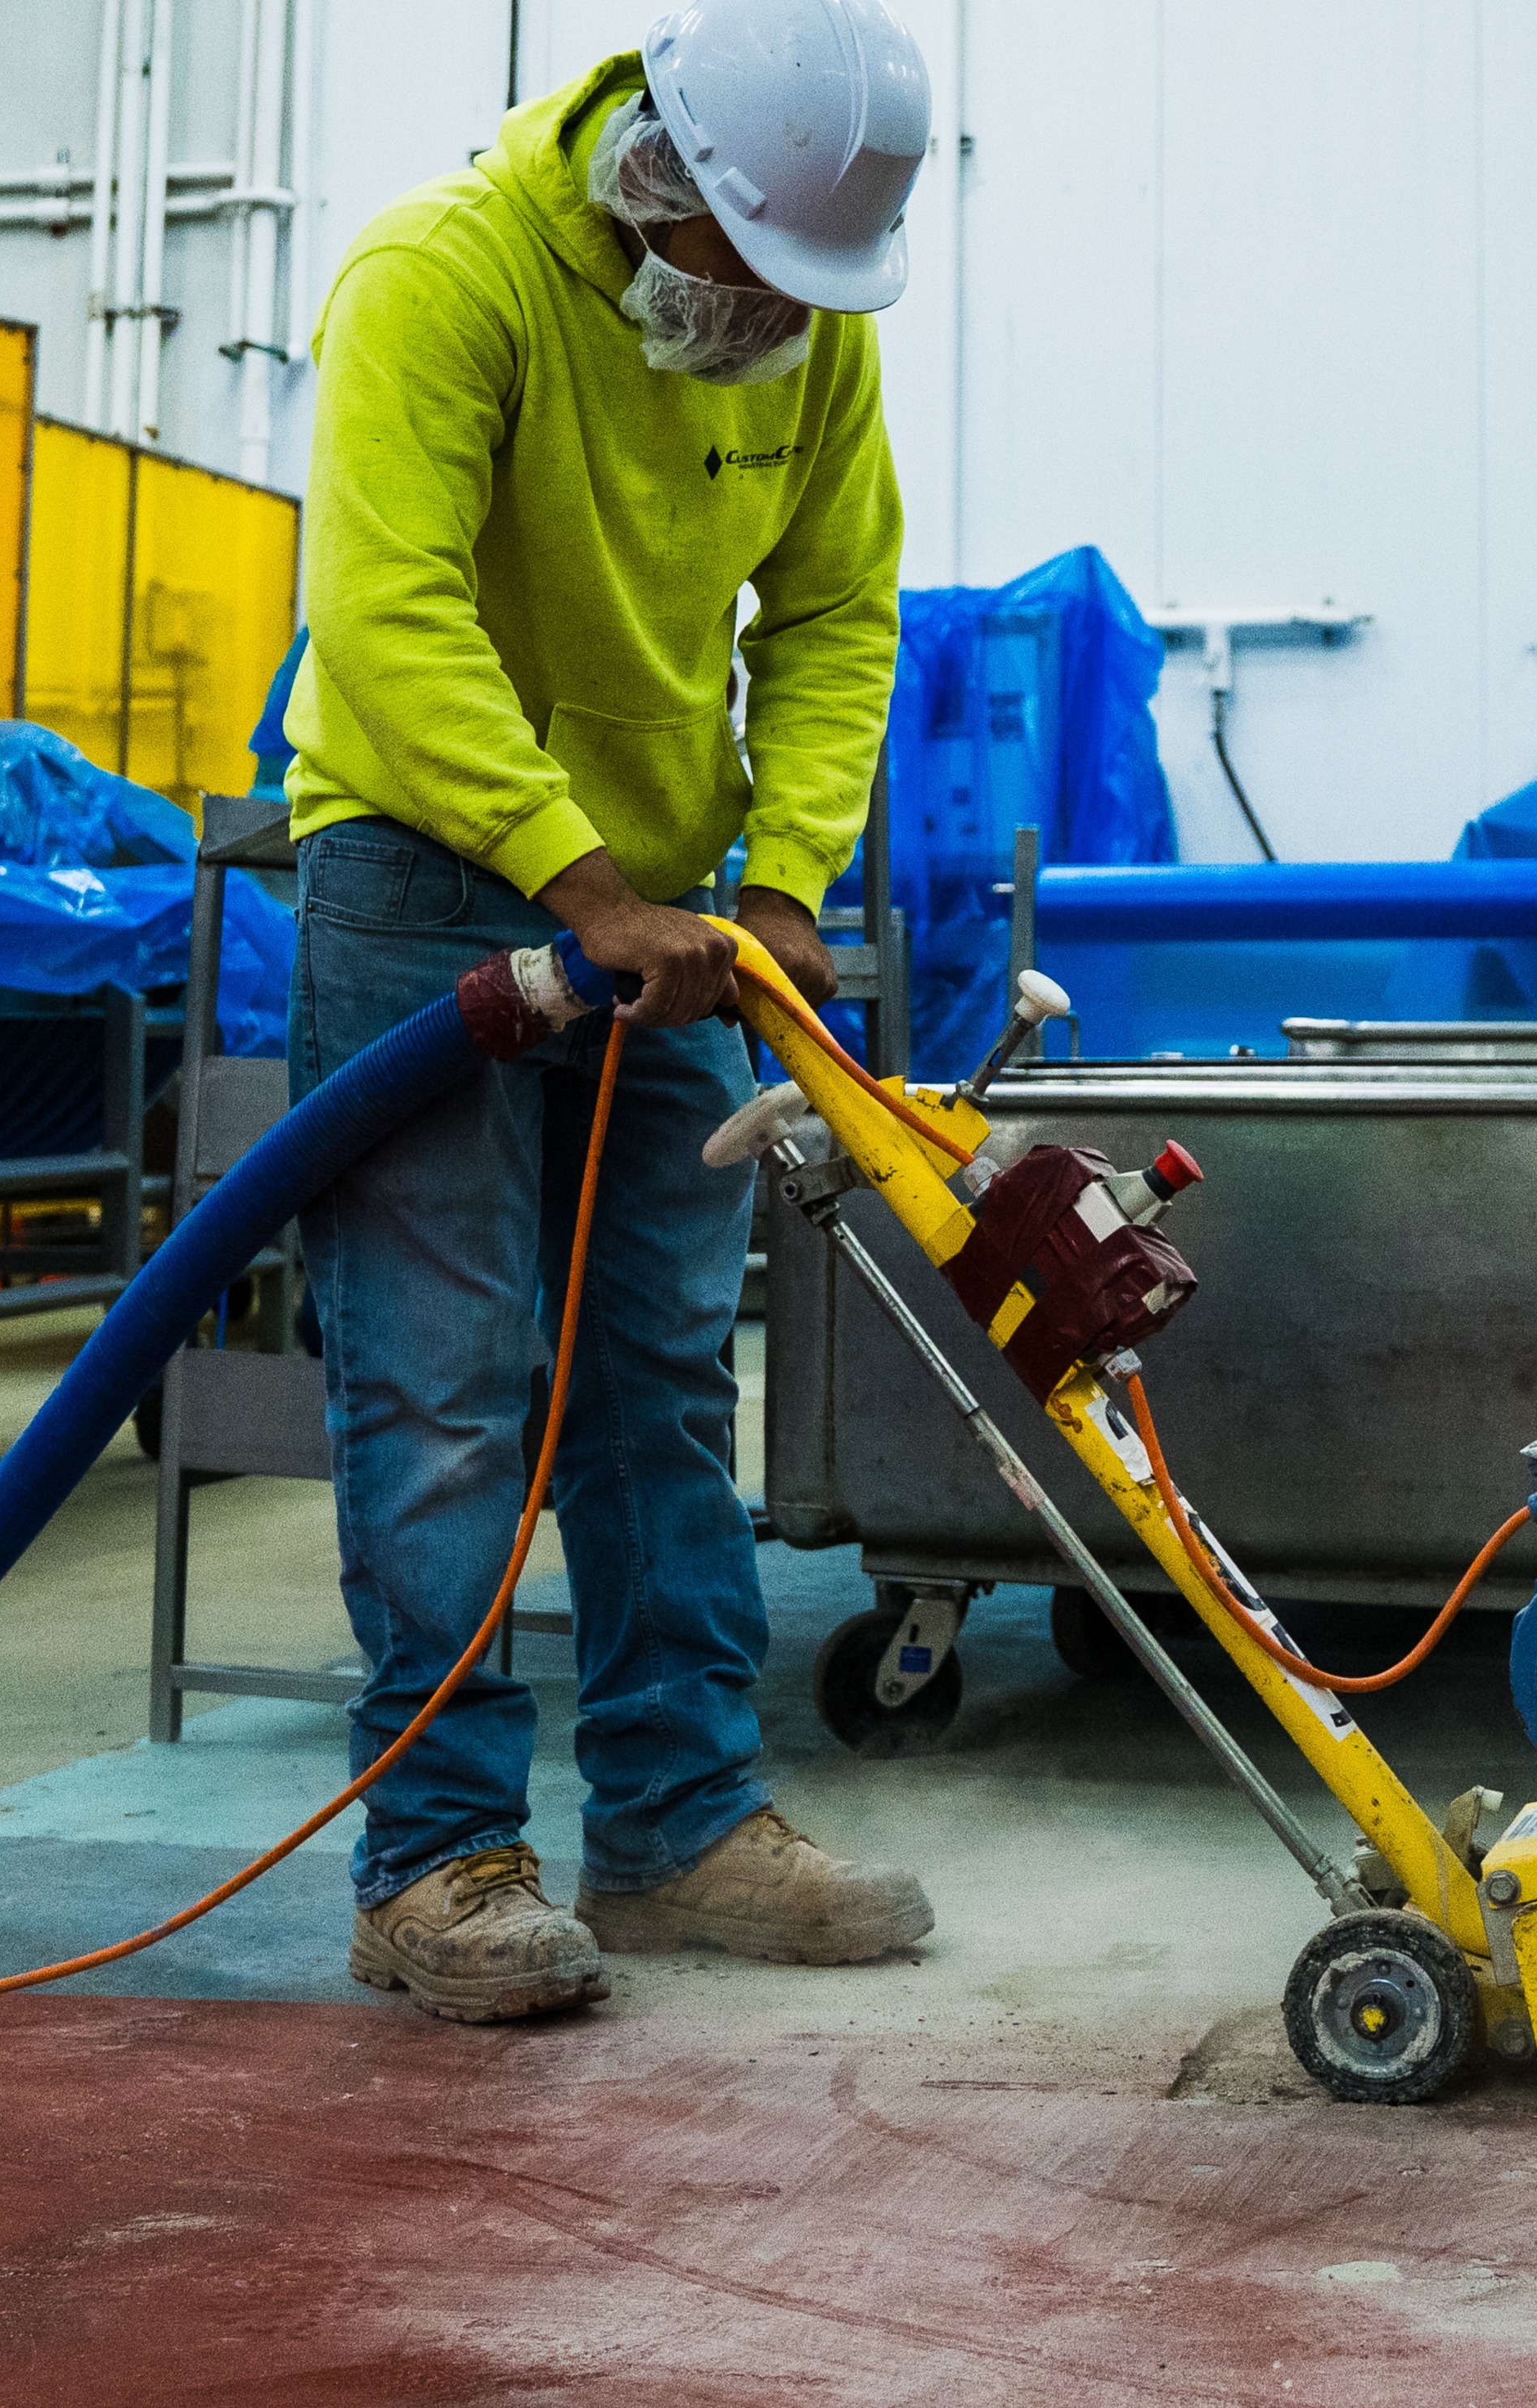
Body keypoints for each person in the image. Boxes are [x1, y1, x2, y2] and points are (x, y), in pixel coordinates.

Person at [280, 0, 933, 2023]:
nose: (770, 320)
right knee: (452, 1379)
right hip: (425, 888)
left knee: (656, 1375)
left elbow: (833, 610)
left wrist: (781, 884)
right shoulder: (439, 278)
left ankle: (677, 1821)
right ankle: (438, 1860)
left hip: (664, 920)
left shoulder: (806, 326)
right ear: (661, 179)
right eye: (750, 273)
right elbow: (390, 620)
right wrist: (583, 885)